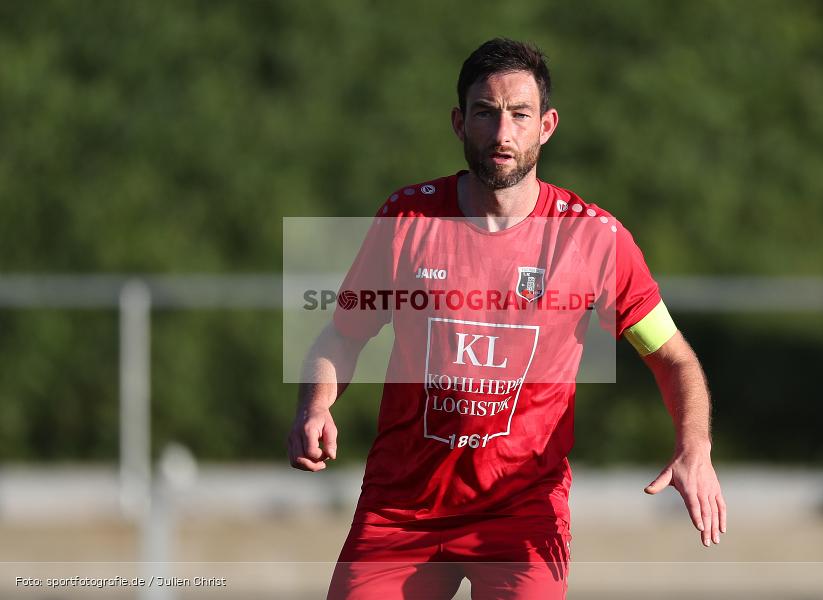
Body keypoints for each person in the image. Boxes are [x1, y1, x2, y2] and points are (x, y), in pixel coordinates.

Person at [288, 38, 726, 599]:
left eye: (520, 114)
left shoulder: (594, 239)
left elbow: (672, 357)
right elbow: (342, 336)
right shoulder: (408, 219)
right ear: (459, 122)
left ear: (547, 126)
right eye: (485, 113)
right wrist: (315, 405)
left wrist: (695, 448)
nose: (502, 133)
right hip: (401, 507)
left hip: (522, 513)